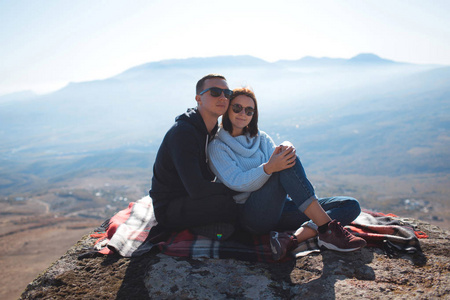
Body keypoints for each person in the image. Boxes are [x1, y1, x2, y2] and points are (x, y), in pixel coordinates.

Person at [207, 87, 367, 260]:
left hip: (281, 209)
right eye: (237, 107)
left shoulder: (262, 138)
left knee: (350, 205)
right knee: (283, 162)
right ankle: (327, 228)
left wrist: (286, 145)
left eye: (249, 110)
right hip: (251, 215)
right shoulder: (217, 146)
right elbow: (237, 182)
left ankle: (292, 239)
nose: (243, 113)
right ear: (227, 109)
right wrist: (268, 168)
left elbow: (281, 160)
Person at [149, 74, 238, 239]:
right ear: (199, 98)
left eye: (227, 93)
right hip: (170, 208)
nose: (222, 98)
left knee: (235, 202)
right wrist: (237, 187)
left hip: (189, 199)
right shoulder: (184, 133)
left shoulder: (212, 132)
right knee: (230, 205)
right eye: (215, 92)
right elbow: (197, 189)